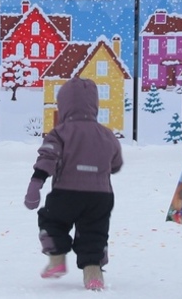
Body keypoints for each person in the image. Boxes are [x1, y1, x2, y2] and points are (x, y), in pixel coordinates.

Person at [24, 76, 123, 291]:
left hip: (66, 193)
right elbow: (116, 163)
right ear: (94, 105)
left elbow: (47, 158)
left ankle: (57, 259)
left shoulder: (60, 133)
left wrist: (36, 183)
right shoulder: (107, 135)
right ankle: (93, 274)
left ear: (64, 105)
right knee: (94, 232)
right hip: (100, 196)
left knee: (52, 221)